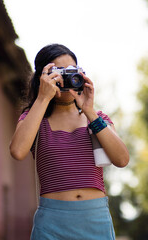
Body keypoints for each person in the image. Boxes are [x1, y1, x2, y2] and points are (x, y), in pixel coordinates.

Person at [9, 44, 129, 240]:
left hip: (95, 221)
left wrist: (89, 111)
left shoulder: (97, 118)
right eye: (58, 73)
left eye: (71, 71)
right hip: (51, 225)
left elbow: (122, 159)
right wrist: (42, 98)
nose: (65, 78)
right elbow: (17, 151)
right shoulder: (34, 119)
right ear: (43, 77)